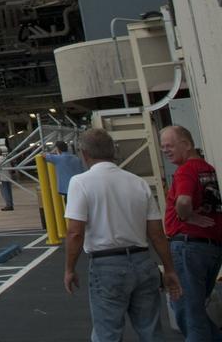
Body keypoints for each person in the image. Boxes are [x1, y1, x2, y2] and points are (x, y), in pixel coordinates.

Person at [63, 128, 182, 341]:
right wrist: (169, 269)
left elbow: (75, 233)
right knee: (151, 331)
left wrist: (70, 269)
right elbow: (157, 234)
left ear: (84, 154)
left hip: (106, 265)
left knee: (107, 333)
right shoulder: (138, 183)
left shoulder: (80, 182)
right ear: (113, 153)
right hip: (143, 262)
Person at [160, 125, 222, 341]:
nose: (165, 151)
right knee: (195, 310)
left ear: (186, 144)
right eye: (163, 147)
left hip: (188, 247)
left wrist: (188, 216)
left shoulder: (185, 170)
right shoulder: (207, 169)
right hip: (211, 247)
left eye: (169, 145)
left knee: (186, 310)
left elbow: (184, 200)